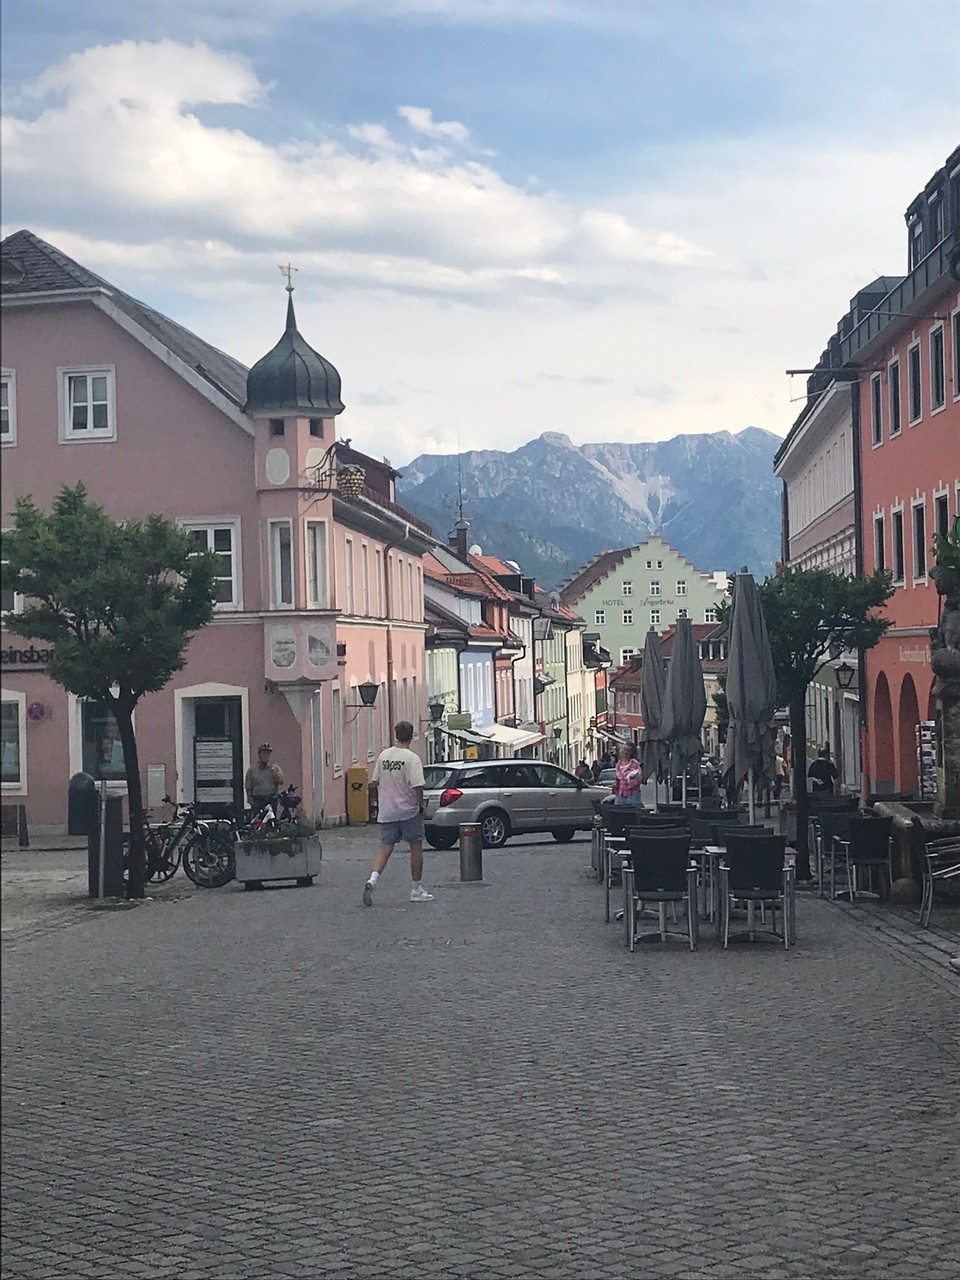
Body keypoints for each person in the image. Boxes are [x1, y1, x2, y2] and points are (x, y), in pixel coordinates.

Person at [363, 721, 433, 905]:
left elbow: (374, 781)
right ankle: (416, 888)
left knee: (385, 846)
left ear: (396, 735)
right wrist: (420, 805)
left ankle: (373, 879)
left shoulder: (384, 756)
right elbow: (417, 786)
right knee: (415, 846)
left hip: (387, 810)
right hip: (408, 810)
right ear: (411, 736)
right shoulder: (412, 758)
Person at [245, 742, 284, 815]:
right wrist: (251, 802)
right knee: (258, 822)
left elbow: (280, 781)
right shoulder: (252, 770)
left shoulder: (275, 768)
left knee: (271, 823)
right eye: (264, 753)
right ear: (259, 755)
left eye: (268, 754)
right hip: (258, 800)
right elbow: (248, 788)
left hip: (271, 799)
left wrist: (273, 771)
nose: (266, 756)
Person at [613, 742, 643, 807]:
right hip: (620, 795)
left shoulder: (635, 764)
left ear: (630, 752)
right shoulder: (618, 764)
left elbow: (639, 779)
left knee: (632, 814)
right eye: (623, 749)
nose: (624, 752)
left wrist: (629, 781)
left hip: (632, 794)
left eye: (627, 750)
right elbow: (617, 780)